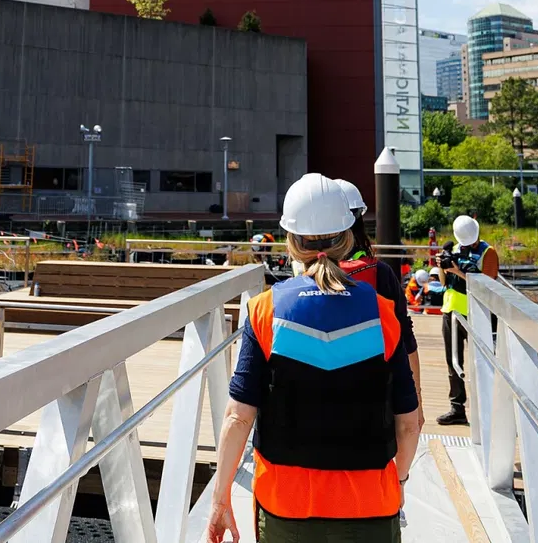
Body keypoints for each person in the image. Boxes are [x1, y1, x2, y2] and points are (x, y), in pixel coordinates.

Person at [207, 173, 420, 543]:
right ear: (348, 237)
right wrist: (397, 479)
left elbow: (238, 417)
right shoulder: (383, 312)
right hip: (371, 503)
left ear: (291, 242)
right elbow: (409, 424)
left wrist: (220, 498)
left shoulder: (264, 310)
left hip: (285, 505)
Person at [335, 179, 423, 428]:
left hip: (312, 401)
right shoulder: (379, 273)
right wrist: (417, 402)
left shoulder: (300, 278)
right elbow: (406, 340)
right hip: (372, 396)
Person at [436, 214, 499, 427]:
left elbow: (487, 284)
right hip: (451, 311)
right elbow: (445, 282)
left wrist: (459, 271)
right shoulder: (454, 250)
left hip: (477, 314)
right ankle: (457, 408)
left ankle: (488, 411)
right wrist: (442, 268)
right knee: (453, 362)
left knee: (481, 364)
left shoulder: (488, 253)